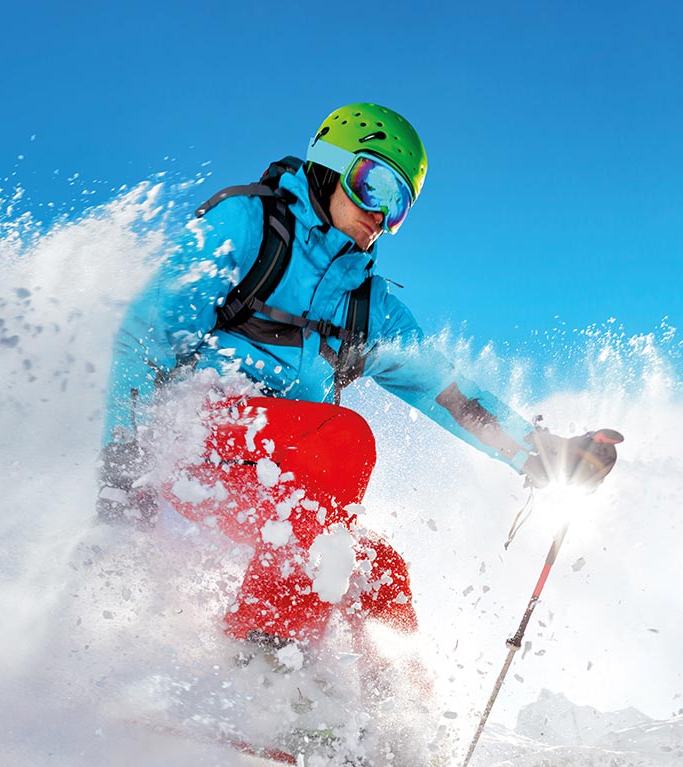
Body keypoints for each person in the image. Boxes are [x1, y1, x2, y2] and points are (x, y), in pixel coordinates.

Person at [98, 102, 620, 672]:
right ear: (330, 165)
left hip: (276, 474)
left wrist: (540, 452)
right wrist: (124, 466)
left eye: (399, 206)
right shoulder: (247, 226)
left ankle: (390, 723)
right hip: (189, 438)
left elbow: (447, 394)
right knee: (342, 439)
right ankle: (261, 661)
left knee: (377, 569)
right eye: (373, 185)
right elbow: (143, 341)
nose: (381, 215)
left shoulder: (367, 307)